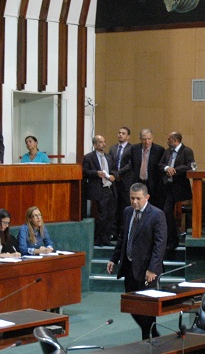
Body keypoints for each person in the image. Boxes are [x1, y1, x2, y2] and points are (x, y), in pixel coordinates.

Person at [107, 183, 167, 339]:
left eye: (138, 199)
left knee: (147, 310)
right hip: (129, 268)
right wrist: (114, 258)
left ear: (147, 197)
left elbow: (160, 245)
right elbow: (123, 238)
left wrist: (152, 269)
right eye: (132, 198)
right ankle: (154, 336)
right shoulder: (128, 212)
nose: (134, 202)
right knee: (132, 306)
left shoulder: (157, 215)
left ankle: (148, 341)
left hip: (148, 271)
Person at [158, 131, 194, 250]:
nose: (167, 141)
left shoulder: (186, 151)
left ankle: (176, 238)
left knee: (173, 212)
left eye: (169, 139)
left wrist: (175, 170)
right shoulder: (167, 151)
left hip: (179, 187)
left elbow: (190, 165)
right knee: (167, 212)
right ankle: (172, 239)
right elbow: (160, 164)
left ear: (175, 140)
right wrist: (166, 168)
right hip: (167, 187)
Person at [82, 135, 117, 246]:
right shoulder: (88, 157)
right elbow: (84, 171)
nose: (103, 144)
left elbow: (114, 169)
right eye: (101, 142)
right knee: (102, 215)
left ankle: (106, 238)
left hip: (109, 188)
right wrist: (96, 173)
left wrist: (113, 175)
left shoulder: (109, 157)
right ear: (95, 144)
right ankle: (97, 239)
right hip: (98, 189)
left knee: (110, 215)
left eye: (104, 141)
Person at [128, 128, 165, 210]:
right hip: (138, 181)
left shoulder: (159, 150)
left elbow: (161, 167)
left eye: (149, 139)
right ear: (140, 139)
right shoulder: (134, 149)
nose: (147, 141)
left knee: (153, 207)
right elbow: (131, 165)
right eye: (144, 139)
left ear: (152, 138)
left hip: (153, 184)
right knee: (138, 205)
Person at [109, 126, 133, 237]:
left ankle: (123, 232)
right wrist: (114, 174)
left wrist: (118, 174)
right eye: (119, 133)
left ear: (128, 136)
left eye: (123, 133)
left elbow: (130, 165)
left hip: (126, 181)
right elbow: (110, 163)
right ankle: (114, 231)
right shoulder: (113, 148)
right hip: (114, 181)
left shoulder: (132, 148)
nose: (120, 135)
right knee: (114, 207)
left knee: (125, 206)